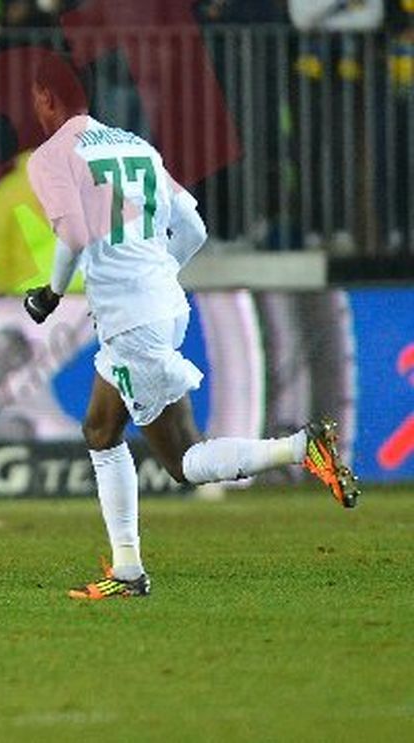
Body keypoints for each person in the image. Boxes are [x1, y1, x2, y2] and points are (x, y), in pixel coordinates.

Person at [20, 55, 360, 600]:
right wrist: (154, 275)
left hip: (134, 319)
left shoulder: (53, 156)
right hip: (159, 303)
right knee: (100, 430)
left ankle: (301, 447)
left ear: (45, 98)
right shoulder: (136, 145)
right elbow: (195, 227)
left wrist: (50, 294)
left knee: (183, 462)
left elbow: (77, 235)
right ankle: (127, 570)